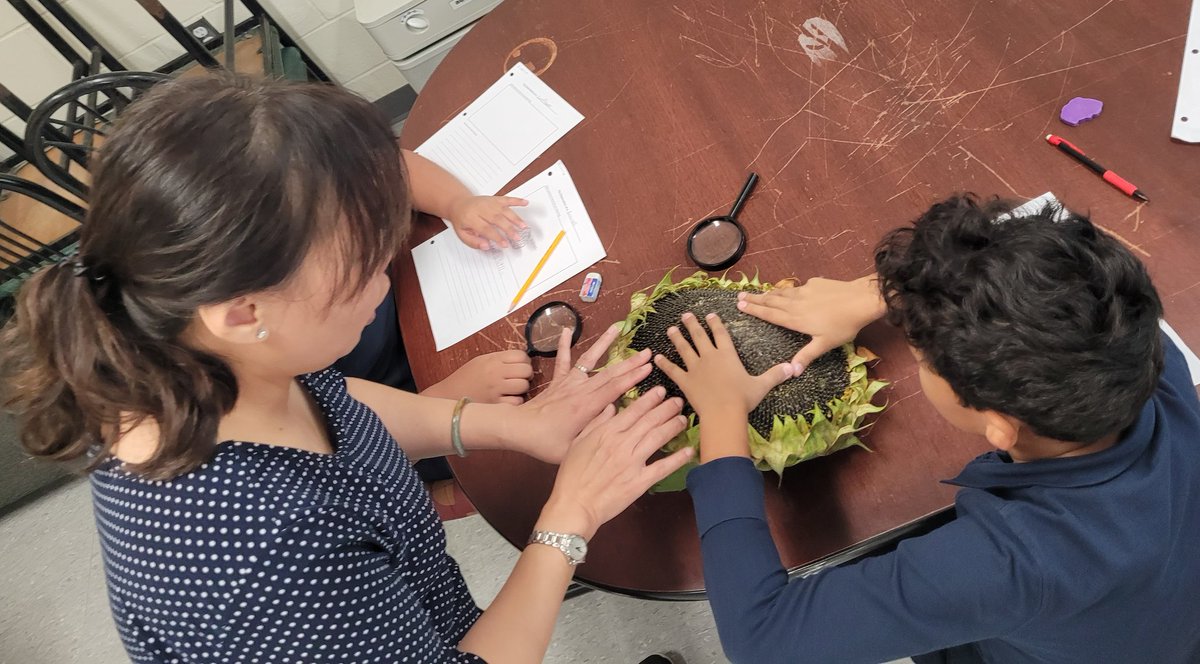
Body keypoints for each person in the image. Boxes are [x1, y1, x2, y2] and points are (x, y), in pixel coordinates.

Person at [0, 75, 694, 663]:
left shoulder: (184, 356)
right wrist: (567, 519)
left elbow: (335, 403)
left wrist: (505, 426)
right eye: (363, 268)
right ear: (243, 312)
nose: (385, 284)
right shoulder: (264, 560)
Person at [653, 195, 1200, 663]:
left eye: (923, 358)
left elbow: (760, 637)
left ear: (999, 427)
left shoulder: (1012, 563)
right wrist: (878, 293)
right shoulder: (1141, 340)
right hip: (1159, 603)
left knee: (866, 548)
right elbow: (1041, 224)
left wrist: (723, 417)